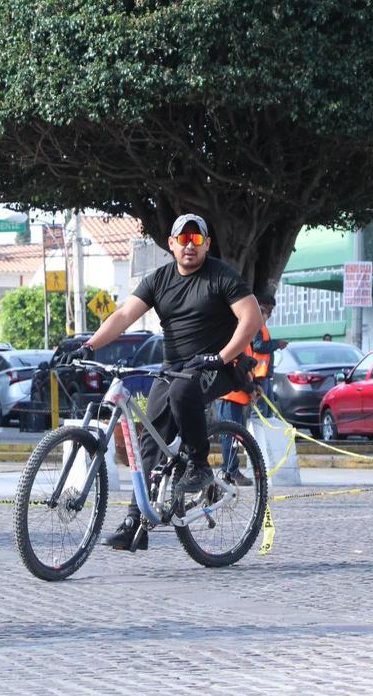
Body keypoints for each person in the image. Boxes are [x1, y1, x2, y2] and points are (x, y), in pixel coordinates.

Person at [67, 213, 262, 551]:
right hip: (173, 367)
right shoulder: (159, 280)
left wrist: (222, 355)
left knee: (184, 389)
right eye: (182, 239)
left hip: (217, 365)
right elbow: (125, 315)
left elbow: (252, 317)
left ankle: (199, 464)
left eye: (196, 239)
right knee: (149, 441)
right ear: (171, 244)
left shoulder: (221, 276)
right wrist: (89, 344)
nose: (189, 245)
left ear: (206, 244)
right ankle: (134, 522)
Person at [217, 291, 287, 483]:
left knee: (235, 435)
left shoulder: (245, 337)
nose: (266, 318)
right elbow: (235, 368)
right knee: (230, 437)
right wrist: (250, 387)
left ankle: (231, 471)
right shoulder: (238, 335)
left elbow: (245, 365)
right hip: (230, 395)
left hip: (239, 394)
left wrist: (254, 384)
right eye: (265, 313)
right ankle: (229, 472)